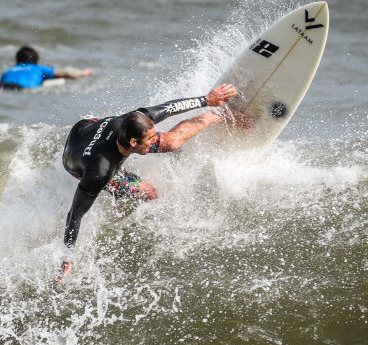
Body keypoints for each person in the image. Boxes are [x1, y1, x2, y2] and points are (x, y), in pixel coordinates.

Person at [55, 82, 243, 284]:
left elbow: (170, 108)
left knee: (170, 143)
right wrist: (67, 257)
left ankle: (216, 115)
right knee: (150, 194)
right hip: (76, 159)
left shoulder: (135, 119)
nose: (155, 140)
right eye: (151, 138)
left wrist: (207, 99)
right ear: (134, 143)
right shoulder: (100, 172)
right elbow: (75, 214)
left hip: (88, 126)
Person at [0, 45, 93, 92]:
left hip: (1, 84)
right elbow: (66, 72)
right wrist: (83, 73)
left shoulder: (9, 71)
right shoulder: (39, 69)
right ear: (35, 60)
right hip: (18, 88)